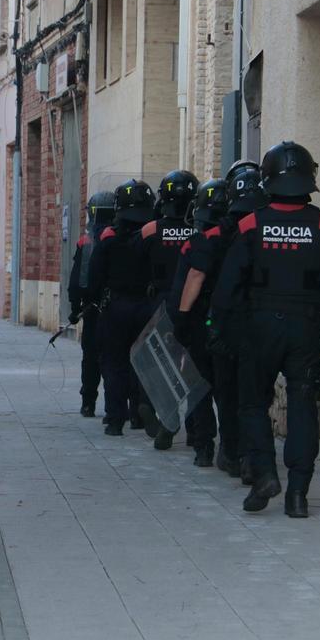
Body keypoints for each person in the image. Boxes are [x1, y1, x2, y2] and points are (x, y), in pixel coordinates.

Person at [212, 141, 320, 518]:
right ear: (309, 178)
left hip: (259, 328)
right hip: (305, 329)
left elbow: (228, 286)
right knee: (302, 405)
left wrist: (221, 329)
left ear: (267, 179)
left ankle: (264, 473)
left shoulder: (250, 225)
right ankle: (298, 493)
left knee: (252, 403)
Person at [169, 164, 267, 477]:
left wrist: (182, 319)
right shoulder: (259, 234)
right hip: (253, 322)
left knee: (206, 386)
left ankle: (209, 447)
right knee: (242, 392)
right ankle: (243, 453)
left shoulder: (208, 237)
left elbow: (193, 278)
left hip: (209, 322)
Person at [138, 170, 202, 453]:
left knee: (158, 361)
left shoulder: (150, 230)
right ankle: (193, 430)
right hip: (193, 302)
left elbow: (135, 264)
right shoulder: (199, 232)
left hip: (159, 301)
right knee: (192, 366)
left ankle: (153, 406)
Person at [87, 179, 156, 436]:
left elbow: (94, 277)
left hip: (115, 307)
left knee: (114, 364)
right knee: (144, 362)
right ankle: (141, 412)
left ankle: (116, 419)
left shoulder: (108, 239)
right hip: (146, 307)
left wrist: (93, 302)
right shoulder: (152, 239)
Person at [68, 191, 115, 417]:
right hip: (114, 308)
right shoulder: (120, 237)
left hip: (92, 309)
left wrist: (74, 307)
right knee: (114, 359)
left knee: (90, 359)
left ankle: (88, 402)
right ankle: (117, 407)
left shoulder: (86, 241)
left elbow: (76, 279)